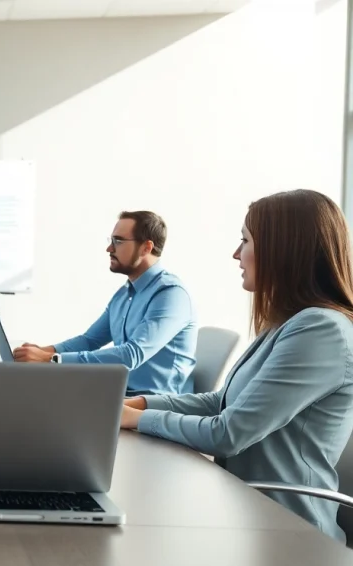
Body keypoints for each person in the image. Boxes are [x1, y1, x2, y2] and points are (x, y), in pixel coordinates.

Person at [121, 190, 353, 542]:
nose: (236, 254)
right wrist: (141, 404)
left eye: (245, 240)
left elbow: (229, 434)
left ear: (283, 249)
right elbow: (221, 402)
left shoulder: (320, 330)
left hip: (293, 534)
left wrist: (138, 420)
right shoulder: (286, 323)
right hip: (248, 511)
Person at [13, 211, 197, 396]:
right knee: (31, 391)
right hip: (121, 393)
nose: (109, 249)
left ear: (146, 247)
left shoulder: (171, 294)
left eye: (118, 241)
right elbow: (90, 340)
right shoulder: (125, 293)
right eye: (111, 240)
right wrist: (42, 352)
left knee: (43, 399)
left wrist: (51, 359)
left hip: (154, 402)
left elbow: (132, 355)